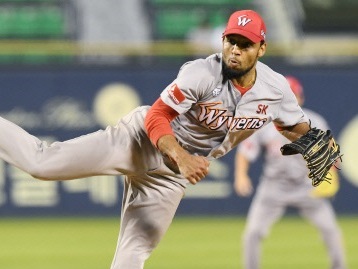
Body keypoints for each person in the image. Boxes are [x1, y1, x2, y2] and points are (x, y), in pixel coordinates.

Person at [0, 10, 334, 269]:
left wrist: (316, 143)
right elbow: (156, 117)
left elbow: (293, 126)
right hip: (139, 142)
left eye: (244, 44)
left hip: (170, 177)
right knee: (42, 163)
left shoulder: (276, 91)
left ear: (261, 48)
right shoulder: (202, 72)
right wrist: (181, 155)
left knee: (137, 247)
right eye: (230, 40)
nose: (234, 50)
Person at [234, 76, 346, 269]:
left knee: (331, 231)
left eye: (294, 96)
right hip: (273, 187)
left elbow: (329, 150)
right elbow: (245, 151)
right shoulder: (263, 122)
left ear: (301, 98)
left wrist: (331, 174)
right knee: (252, 233)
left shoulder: (315, 121)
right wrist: (241, 175)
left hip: (307, 185)